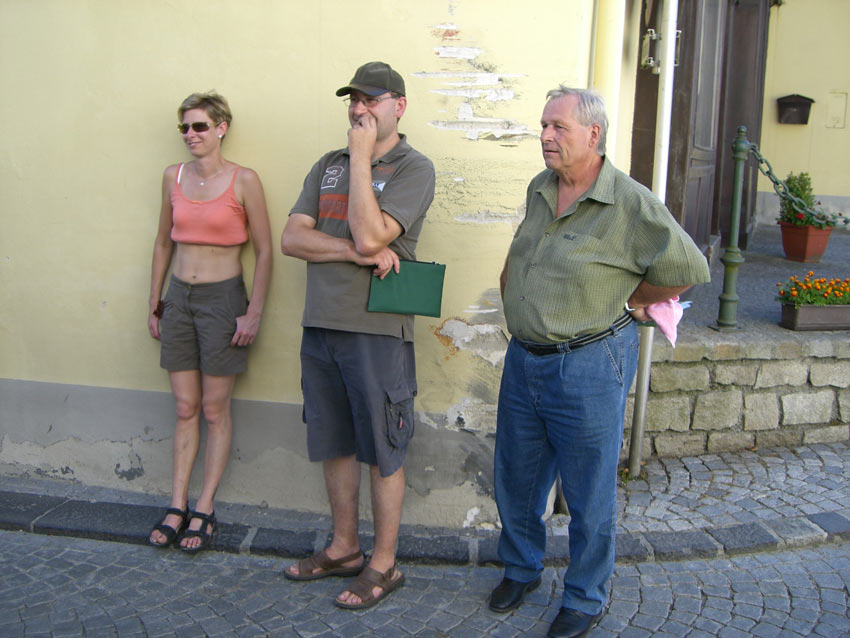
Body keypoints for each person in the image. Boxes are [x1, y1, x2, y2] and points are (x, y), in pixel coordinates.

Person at [491, 86, 710, 637]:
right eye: (543, 125)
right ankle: (521, 569)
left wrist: (638, 299)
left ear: (594, 134)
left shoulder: (630, 201)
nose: (544, 136)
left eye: (558, 127)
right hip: (525, 359)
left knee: (589, 492)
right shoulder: (541, 186)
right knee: (517, 479)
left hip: (588, 363)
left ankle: (585, 598)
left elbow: (690, 265)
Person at [280, 61, 435, 610]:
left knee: (382, 448)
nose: (359, 109)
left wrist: (365, 159)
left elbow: (374, 235)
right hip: (321, 323)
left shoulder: (414, 168)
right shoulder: (328, 165)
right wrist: (348, 250)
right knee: (335, 443)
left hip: (375, 330)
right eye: (354, 100)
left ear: (399, 105)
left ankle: (383, 563)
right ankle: (344, 548)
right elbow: (293, 238)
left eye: (371, 100)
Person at [147, 91, 272, 553]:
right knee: (185, 407)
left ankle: (204, 506)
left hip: (224, 301)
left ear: (221, 128)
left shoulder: (244, 180)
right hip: (179, 298)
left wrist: (253, 311)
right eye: (184, 128)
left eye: (199, 126)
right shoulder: (172, 177)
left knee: (216, 409)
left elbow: (264, 251)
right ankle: (176, 504)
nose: (191, 135)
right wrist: (155, 300)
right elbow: (163, 242)